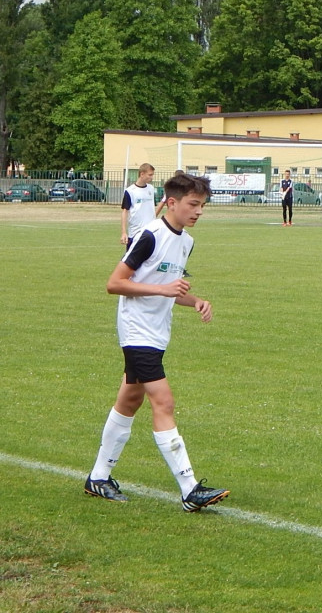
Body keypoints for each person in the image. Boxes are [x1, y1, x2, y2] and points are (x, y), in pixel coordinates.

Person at [84, 172, 229, 512]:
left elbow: (170, 288)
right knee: (163, 402)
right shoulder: (150, 235)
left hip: (157, 332)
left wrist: (195, 301)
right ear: (173, 202)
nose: (198, 212)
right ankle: (190, 489)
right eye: (193, 204)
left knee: (130, 399)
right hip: (136, 332)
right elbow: (115, 283)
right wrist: (163, 289)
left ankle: (98, 477)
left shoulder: (187, 242)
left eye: (203, 206)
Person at [120, 164, 157, 250]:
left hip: (151, 232)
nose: (152, 177)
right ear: (142, 174)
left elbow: (151, 209)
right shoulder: (130, 191)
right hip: (135, 233)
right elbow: (125, 211)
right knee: (132, 262)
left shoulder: (151, 188)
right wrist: (124, 232)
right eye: (150, 175)